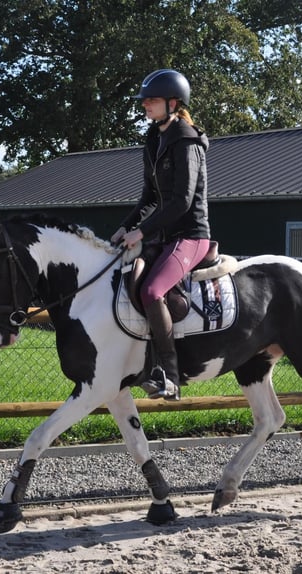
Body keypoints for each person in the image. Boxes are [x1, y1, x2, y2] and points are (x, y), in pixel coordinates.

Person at [111, 69, 211, 401]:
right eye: (144, 101)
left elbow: (182, 201)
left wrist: (142, 231)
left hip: (191, 236)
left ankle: (171, 376)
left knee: (153, 290)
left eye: (151, 101)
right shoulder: (154, 140)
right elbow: (149, 199)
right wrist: (125, 227)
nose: (145, 106)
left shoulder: (186, 140)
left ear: (173, 102)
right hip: (164, 237)